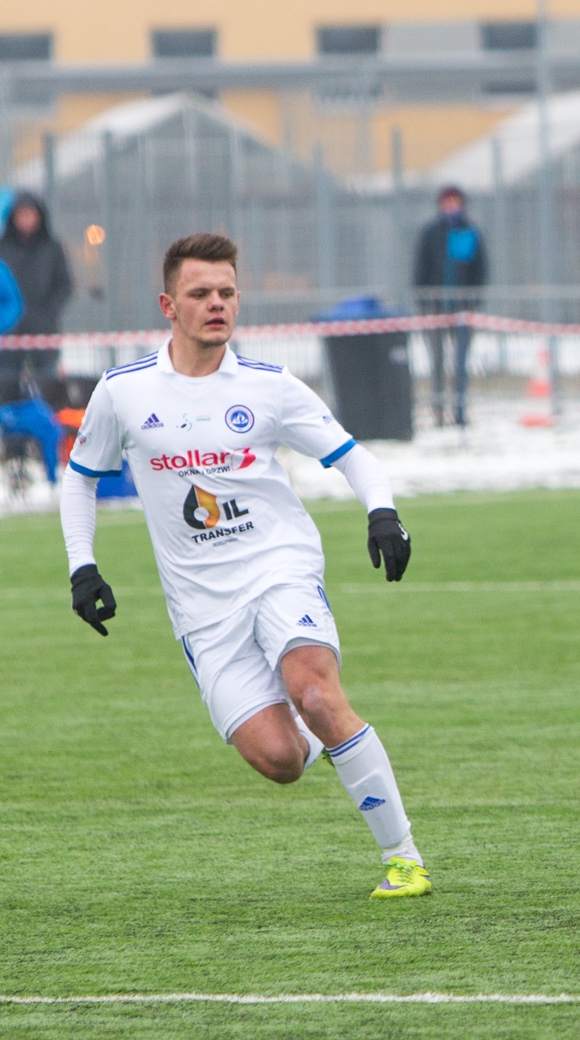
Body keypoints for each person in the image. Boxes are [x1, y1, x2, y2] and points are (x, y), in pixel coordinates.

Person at [60, 233, 432, 900]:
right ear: (168, 305)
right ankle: (324, 738)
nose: (217, 304)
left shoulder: (269, 386)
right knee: (280, 759)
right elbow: (80, 479)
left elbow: (352, 455)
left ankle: (403, 858)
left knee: (314, 691)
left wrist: (382, 513)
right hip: (202, 607)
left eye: (227, 292)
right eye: (201, 293)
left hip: (278, 566)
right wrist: (82, 568)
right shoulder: (123, 391)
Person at [413, 185, 487, 428]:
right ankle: (438, 412)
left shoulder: (470, 233)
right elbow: (420, 270)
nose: (452, 206)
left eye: (456, 202)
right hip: (434, 309)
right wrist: (424, 303)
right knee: (436, 361)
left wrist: (473, 302)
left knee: (460, 364)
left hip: (463, 309)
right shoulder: (430, 233)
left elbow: (480, 270)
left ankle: (460, 411)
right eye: (448, 201)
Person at [0, 190, 74, 384]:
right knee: (7, 384)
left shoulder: (52, 247)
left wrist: (48, 312)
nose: (25, 219)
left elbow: (64, 284)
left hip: (43, 330)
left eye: (30, 213)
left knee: (46, 383)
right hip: (8, 333)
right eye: (21, 213)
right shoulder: (3, 247)